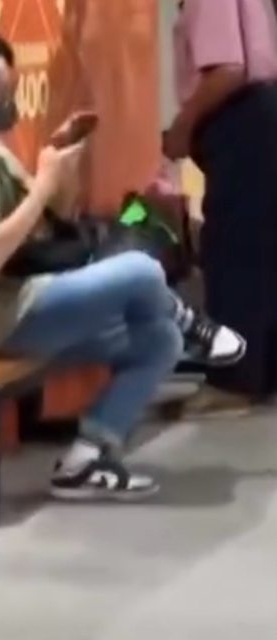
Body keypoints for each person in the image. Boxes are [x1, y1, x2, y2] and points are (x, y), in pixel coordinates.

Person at [0, 28, 241, 501]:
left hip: (32, 295)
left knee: (159, 340)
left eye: (11, 89)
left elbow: (50, 218)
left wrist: (59, 159)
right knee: (141, 270)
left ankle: (85, 460)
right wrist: (43, 184)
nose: (9, 103)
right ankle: (192, 323)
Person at [164, 0, 277, 417]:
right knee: (261, 253)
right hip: (260, 119)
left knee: (234, 254)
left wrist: (182, 127)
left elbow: (227, 70)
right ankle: (262, 374)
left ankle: (233, 381)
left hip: (241, 123)